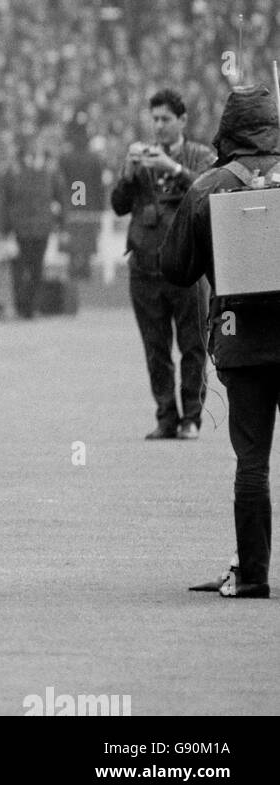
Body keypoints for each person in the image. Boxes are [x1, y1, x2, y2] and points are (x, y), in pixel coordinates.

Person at [162, 83, 280, 598]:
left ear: (227, 130)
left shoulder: (209, 184)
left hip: (243, 339)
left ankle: (251, 575)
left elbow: (176, 268)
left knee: (252, 460)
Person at [111, 89, 214, 439]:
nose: (158, 126)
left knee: (192, 345)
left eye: (165, 119)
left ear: (182, 121)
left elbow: (208, 190)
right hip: (144, 268)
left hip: (187, 268)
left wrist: (172, 168)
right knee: (155, 349)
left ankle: (192, 418)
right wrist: (127, 172)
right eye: (154, 119)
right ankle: (166, 417)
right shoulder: (140, 161)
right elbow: (119, 205)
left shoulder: (199, 155)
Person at [0, 136, 63, 322]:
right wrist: (1, 230)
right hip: (19, 228)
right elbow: (2, 202)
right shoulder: (12, 170)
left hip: (41, 227)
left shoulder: (50, 169)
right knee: (19, 268)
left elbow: (64, 195)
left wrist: (63, 223)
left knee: (36, 268)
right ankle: (20, 305)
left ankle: (30, 307)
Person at [58, 118, 107, 281]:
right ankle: (85, 272)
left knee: (72, 246)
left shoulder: (65, 158)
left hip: (71, 207)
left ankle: (73, 272)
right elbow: (99, 187)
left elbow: (61, 185)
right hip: (89, 207)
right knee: (86, 245)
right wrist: (100, 209)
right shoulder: (94, 159)